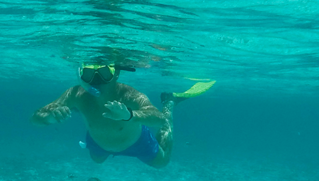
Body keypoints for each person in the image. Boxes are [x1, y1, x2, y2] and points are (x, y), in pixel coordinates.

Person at [31, 63, 213, 168]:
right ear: (80, 74)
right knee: (96, 160)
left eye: (104, 72)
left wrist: (129, 115)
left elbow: (159, 119)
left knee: (162, 163)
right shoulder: (75, 94)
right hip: (99, 143)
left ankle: (170, 102)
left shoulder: (128, 94)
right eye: (88, 73)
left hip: (136, 141)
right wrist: (49, 117)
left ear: (116, 73)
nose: (97, 80)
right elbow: (36, 119)